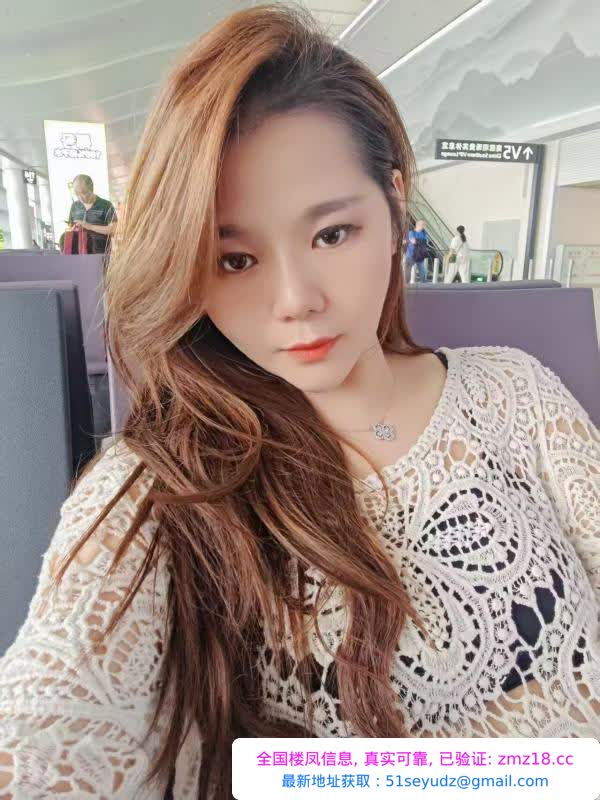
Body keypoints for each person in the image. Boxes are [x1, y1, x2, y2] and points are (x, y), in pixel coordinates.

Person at [0, 5, 599, 799]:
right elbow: (52, 725)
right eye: (235, 259)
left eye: (331, 235)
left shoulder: (516, 392)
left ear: (395, 206)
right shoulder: (165, 486)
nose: (295, 302)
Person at [66, 174, 117, 254]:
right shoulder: (74, 206)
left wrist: (90, 227)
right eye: (77, 194)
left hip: (101, 254)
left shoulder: (106, 205)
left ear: (91, 189)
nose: (80, 197)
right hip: (78, 255)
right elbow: (69, 228)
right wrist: (72, 229)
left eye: (83, 193)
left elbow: (114, 230)